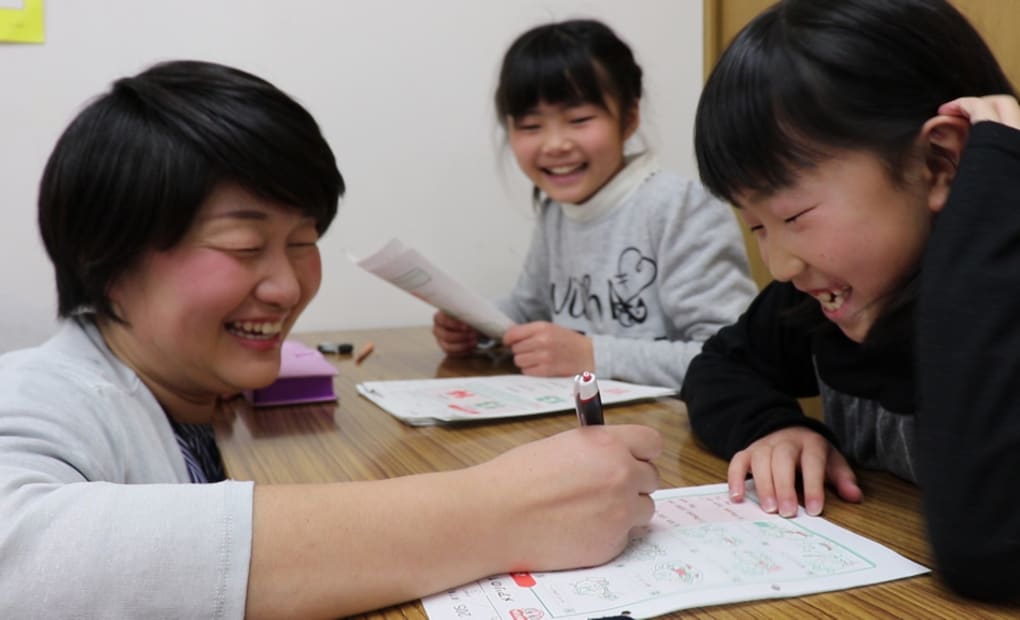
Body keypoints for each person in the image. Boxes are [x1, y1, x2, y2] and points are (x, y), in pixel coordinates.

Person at [0, 60, 663, 618]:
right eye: (244, 245)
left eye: (302, 243)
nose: (287, 287)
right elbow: (22, 555)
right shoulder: (39, 390)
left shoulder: (176, 389)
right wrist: (499, 509)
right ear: (106, 258)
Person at [681, 0, 1020, 601]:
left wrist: (991, 202)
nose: (779, 265)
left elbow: (989, 550)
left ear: (940, 162)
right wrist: (774, 427)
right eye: (756, 226)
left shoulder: (996, 295)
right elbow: (717, 366)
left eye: (793, 215)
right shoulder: (818, 304)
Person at [432, 19, 757, 391]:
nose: (554, 144)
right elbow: (530, 309)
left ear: (629, 118)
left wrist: (591, 355)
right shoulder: (557, 212)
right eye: (531, 126)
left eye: (579, 119)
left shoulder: (678, 206)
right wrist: (477, 326)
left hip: (676, 432)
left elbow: (733, 358)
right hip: (583, 423)